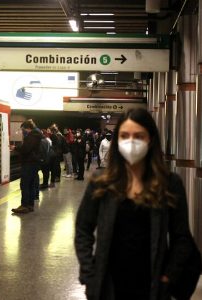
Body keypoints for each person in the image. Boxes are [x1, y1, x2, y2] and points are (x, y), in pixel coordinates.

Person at [75, 108, 197, 300]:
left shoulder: (169, 183)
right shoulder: (101, 182)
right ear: (117, 141)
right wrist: (89, 274)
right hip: (108, 286)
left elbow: (181, 237)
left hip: (153, 285)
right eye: (124, 136)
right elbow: (83, 228)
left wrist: (168, 277)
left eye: (138, 136)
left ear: (150, 139)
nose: (131, 142)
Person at [11, 119, 42, 213]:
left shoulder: (32, 136)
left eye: (23, 129)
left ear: (28, 128)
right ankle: (30, 205)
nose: (23, 131)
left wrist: (15, 148)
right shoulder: (36, 134)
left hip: (29, 163)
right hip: (33, 163)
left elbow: (26, 149)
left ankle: (24, 205)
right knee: (31, 184)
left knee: (25, 184)